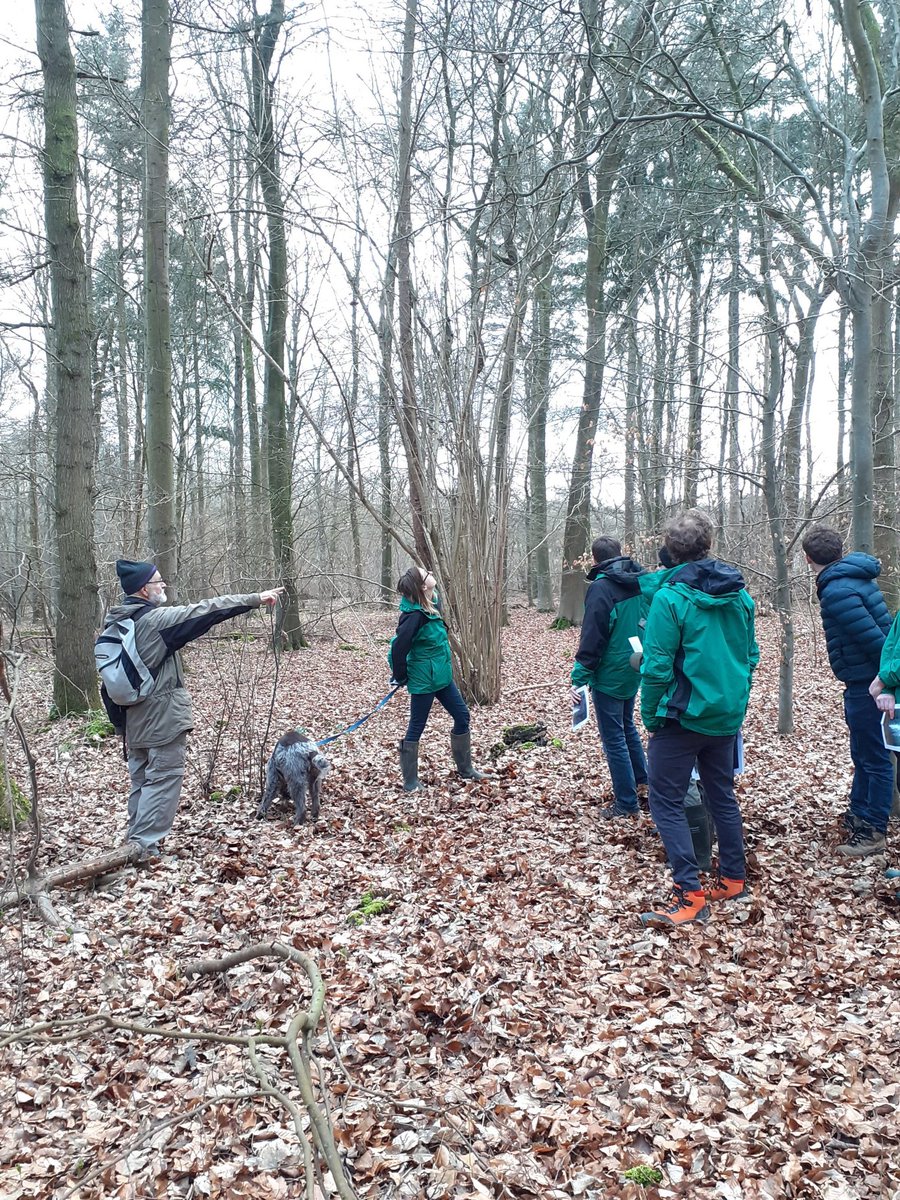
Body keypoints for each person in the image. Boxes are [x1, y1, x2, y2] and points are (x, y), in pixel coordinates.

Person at [102, 560, 283, 859]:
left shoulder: (118, 623)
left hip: (133, 723)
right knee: (162, 782)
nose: (163, 586)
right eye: (158, 581)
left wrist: (121, 727)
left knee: (142, 784)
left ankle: (134, 845)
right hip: (161, 721)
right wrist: (253, 599)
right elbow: (206, 610)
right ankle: (145, 850)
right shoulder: (154, 621)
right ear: (143, 589)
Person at [639, 510, 759, 926]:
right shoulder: (740, 595)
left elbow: (655, 667)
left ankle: (689, 893)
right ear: (709, 544)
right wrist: (733, 699)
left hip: (683, 717)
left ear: (671, 551)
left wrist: (650, 714)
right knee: (720, 794)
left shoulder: (670, 598)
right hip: (724, 715)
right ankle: (733, 878)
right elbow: (750, 656)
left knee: (665, 801)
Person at [802, 525, 893, 857]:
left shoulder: (838, 590)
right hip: (862, 680)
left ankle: (873, 832)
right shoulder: (854, 578)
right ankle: (859, 813)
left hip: (868, 683)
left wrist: (884, 680)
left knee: (875, 758)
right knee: (863, 753)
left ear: (807, 558)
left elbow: (874, 639)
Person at [570, 536, 647, 819]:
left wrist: (579, 676)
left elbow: (593, 636)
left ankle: (627, 803)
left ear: (594, 560)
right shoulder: (639, 580)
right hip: (635, 663)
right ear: (620, 553)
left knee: (614, 737)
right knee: (627, 727)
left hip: (611, 673)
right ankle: (643, 781)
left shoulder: (601, 588)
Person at [388, 565, 484, 791]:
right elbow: (398, 649)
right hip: (423, 680)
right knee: (416, 727)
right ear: (422, 586)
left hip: (442, 675)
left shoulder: (432, 601)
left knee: (462, 717)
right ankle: (410, 782)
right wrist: (400, 676)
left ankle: (466, 770)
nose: (431, 573)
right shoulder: (412, 617)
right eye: (426, 574)